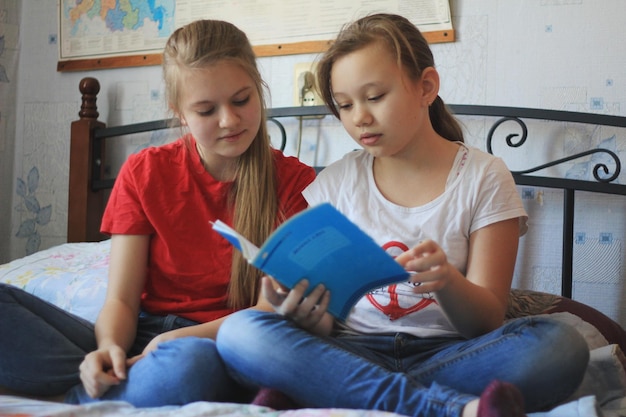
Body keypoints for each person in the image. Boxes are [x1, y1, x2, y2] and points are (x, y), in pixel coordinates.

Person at [215, 13, 590, 417]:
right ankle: (445, 408)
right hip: (351, 351)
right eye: (344, 105)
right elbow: (327, 324)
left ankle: (327, 392)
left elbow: (485, 323)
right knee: (241, 333)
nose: (359, 117)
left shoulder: (483, 176)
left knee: (560, 344)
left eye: (375, 97)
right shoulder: (336, 183)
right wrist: (300, 310)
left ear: (426, 86)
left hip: (452, 355)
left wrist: (446, 280)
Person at [0, 19, 315, 407]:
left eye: (241, 100)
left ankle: (78, 395)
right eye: (205, 109)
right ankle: (102, 383)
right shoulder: (145, 171)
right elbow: (122, 300)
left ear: (259, 92)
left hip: (215, 345)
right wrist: (109, 349)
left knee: (187, 366)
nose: (229, 120)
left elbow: (270, 312)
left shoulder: (293, 183)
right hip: (139, 334)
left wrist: (174, 340)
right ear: (180, 113)